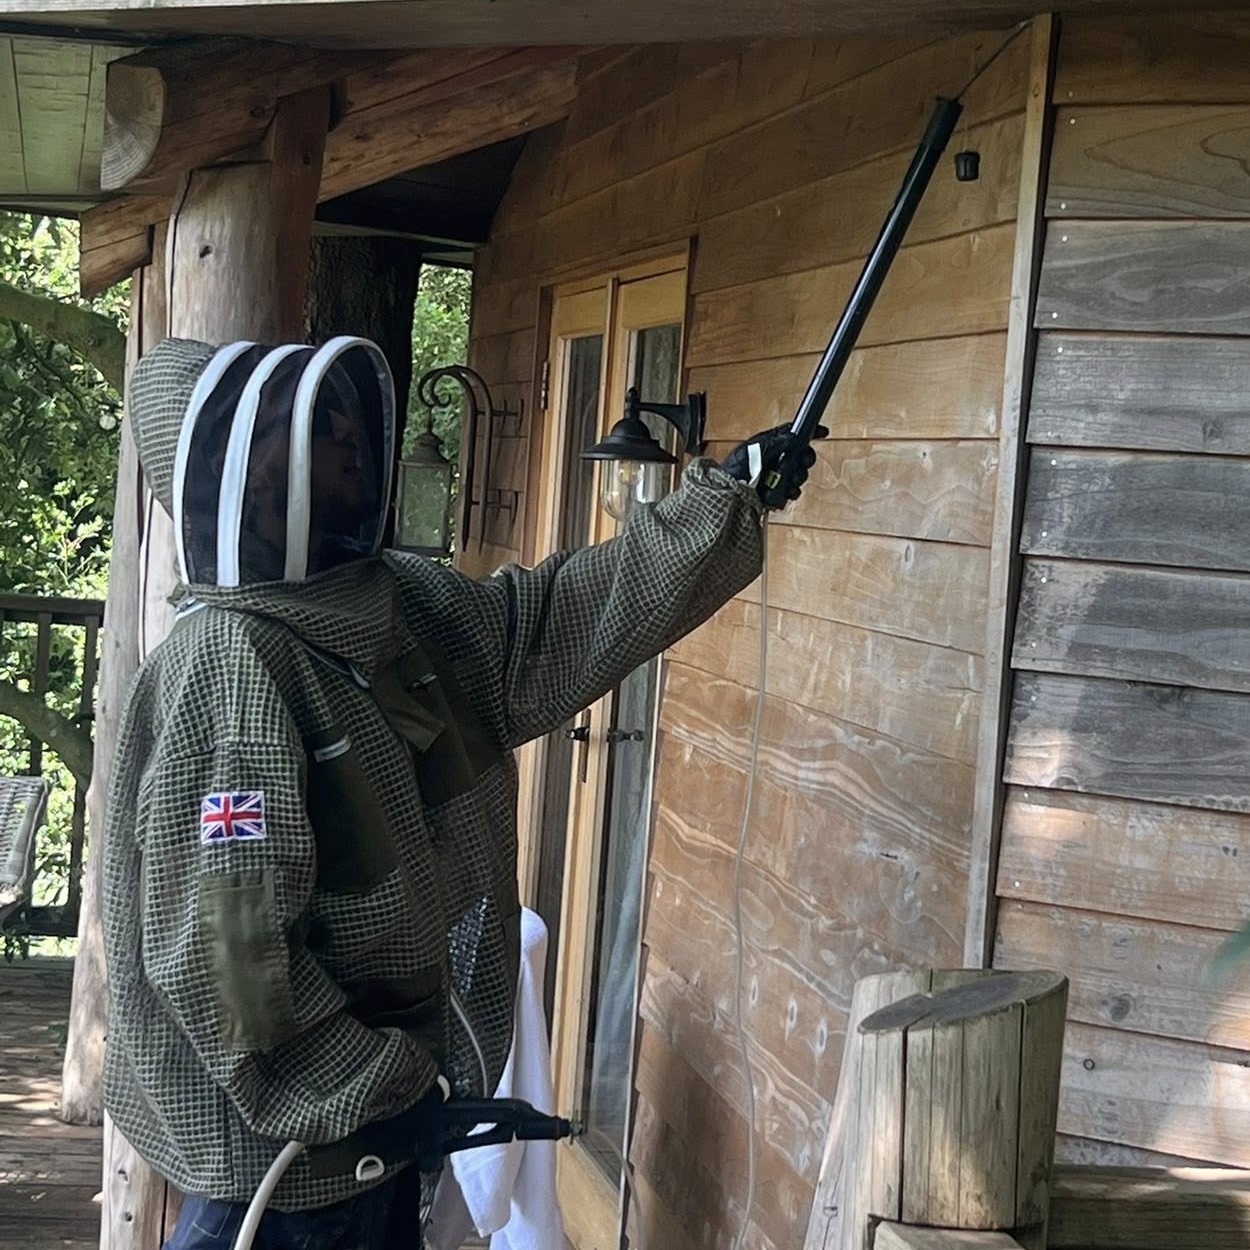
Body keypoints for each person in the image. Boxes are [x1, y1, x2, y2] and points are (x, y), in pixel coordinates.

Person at [102, 334, 824, 1250]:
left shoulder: (393, 604)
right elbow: (229, 966)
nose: (350, 438)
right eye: (316, 429)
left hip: (375, 1149)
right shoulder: (229, 666)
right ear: (240, 473)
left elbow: (551, 623)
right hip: (289, 1183)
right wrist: (379, 1088)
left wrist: (723, 504)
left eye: (346, 418)